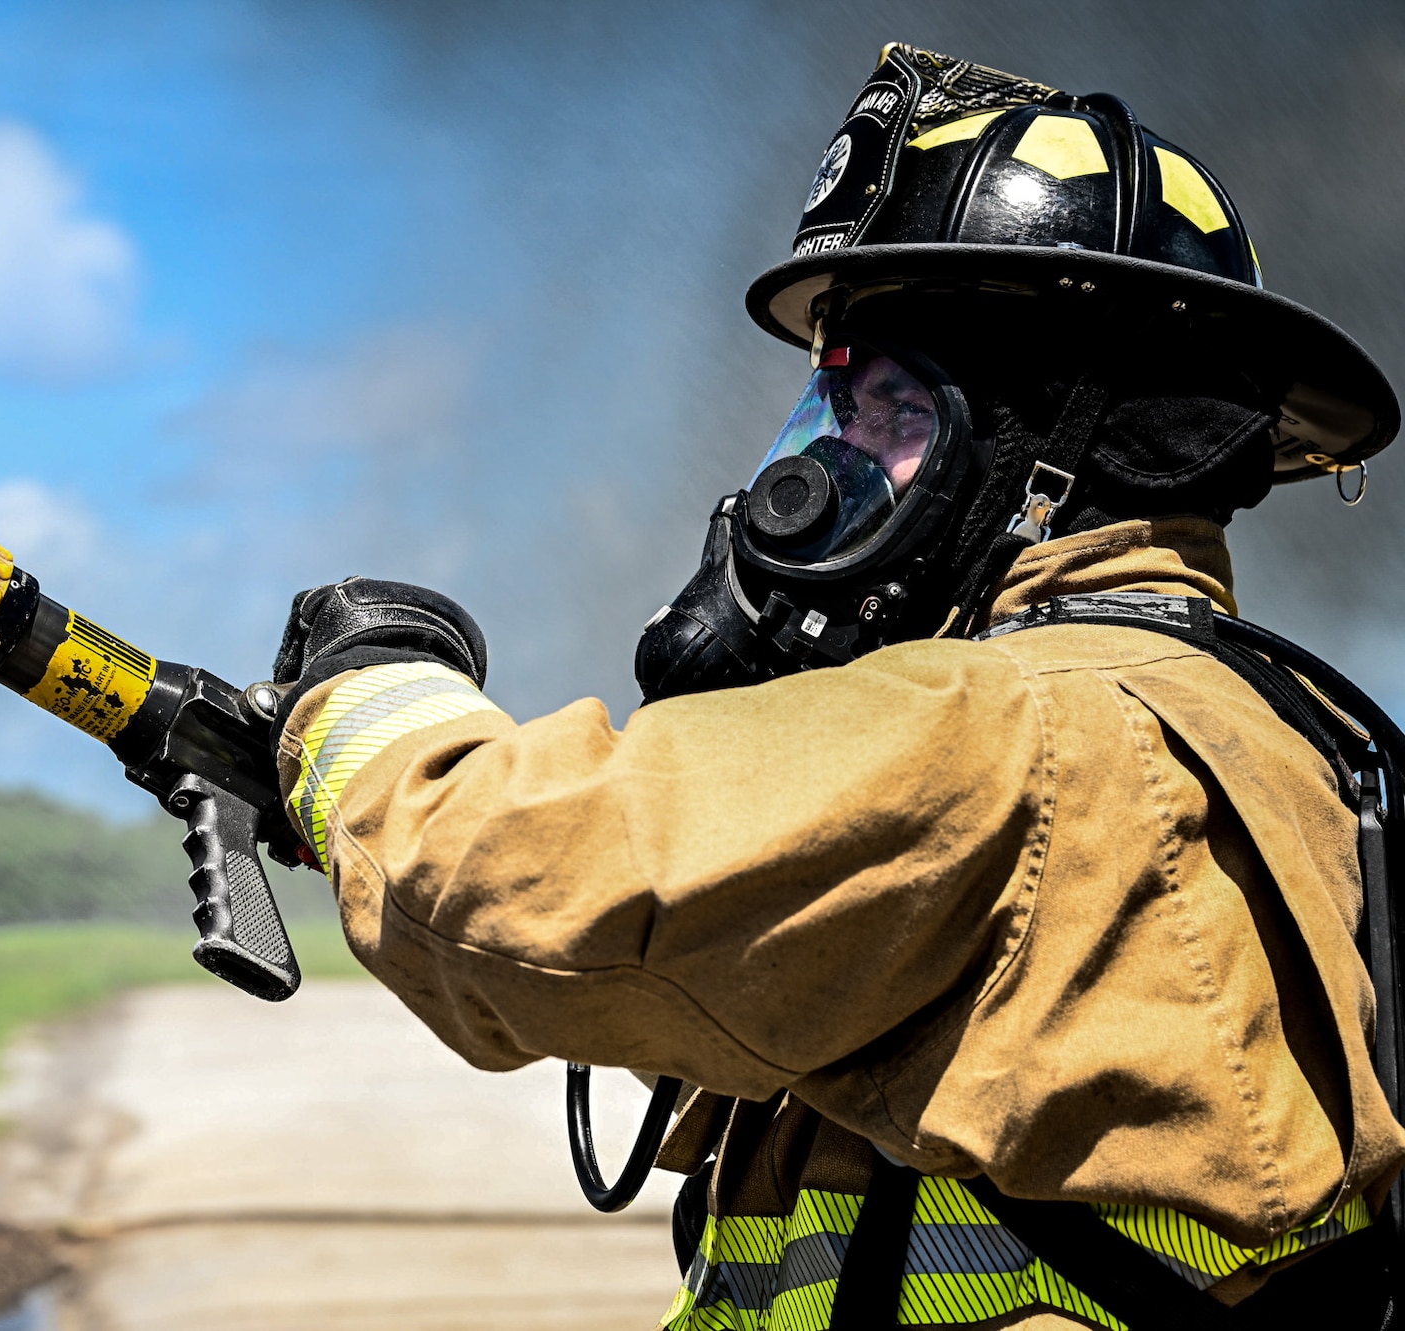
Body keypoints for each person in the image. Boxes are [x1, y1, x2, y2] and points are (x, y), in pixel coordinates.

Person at [265, 43, 1405, 1329]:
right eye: (828, 408)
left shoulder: (1006, 728)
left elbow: (493, 883)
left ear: (1045, 452)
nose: (812, 476)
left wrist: (370, 693)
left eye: (884, 411)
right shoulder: (1290, 734)